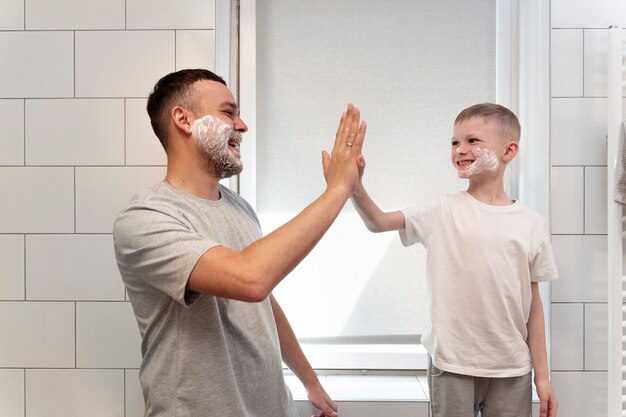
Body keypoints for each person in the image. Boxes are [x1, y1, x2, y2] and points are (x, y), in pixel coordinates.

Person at [113, 68, 366, 417]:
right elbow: (251, 279)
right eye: (228, 112)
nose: (242, 125)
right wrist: (339, 189)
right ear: (184, 120)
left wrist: (309, 380)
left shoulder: (240, 209)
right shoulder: (145, 218)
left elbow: (263, 305)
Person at [349, 103, 558, 417]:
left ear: (509, 150)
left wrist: (542, 377)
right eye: (454, 142)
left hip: (512, 367)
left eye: (472, 141)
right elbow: (378, 222)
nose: (460, 149)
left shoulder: (531, 224)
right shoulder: (441, 210)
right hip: (452, 363)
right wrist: (354, 186)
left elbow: (534, 307)